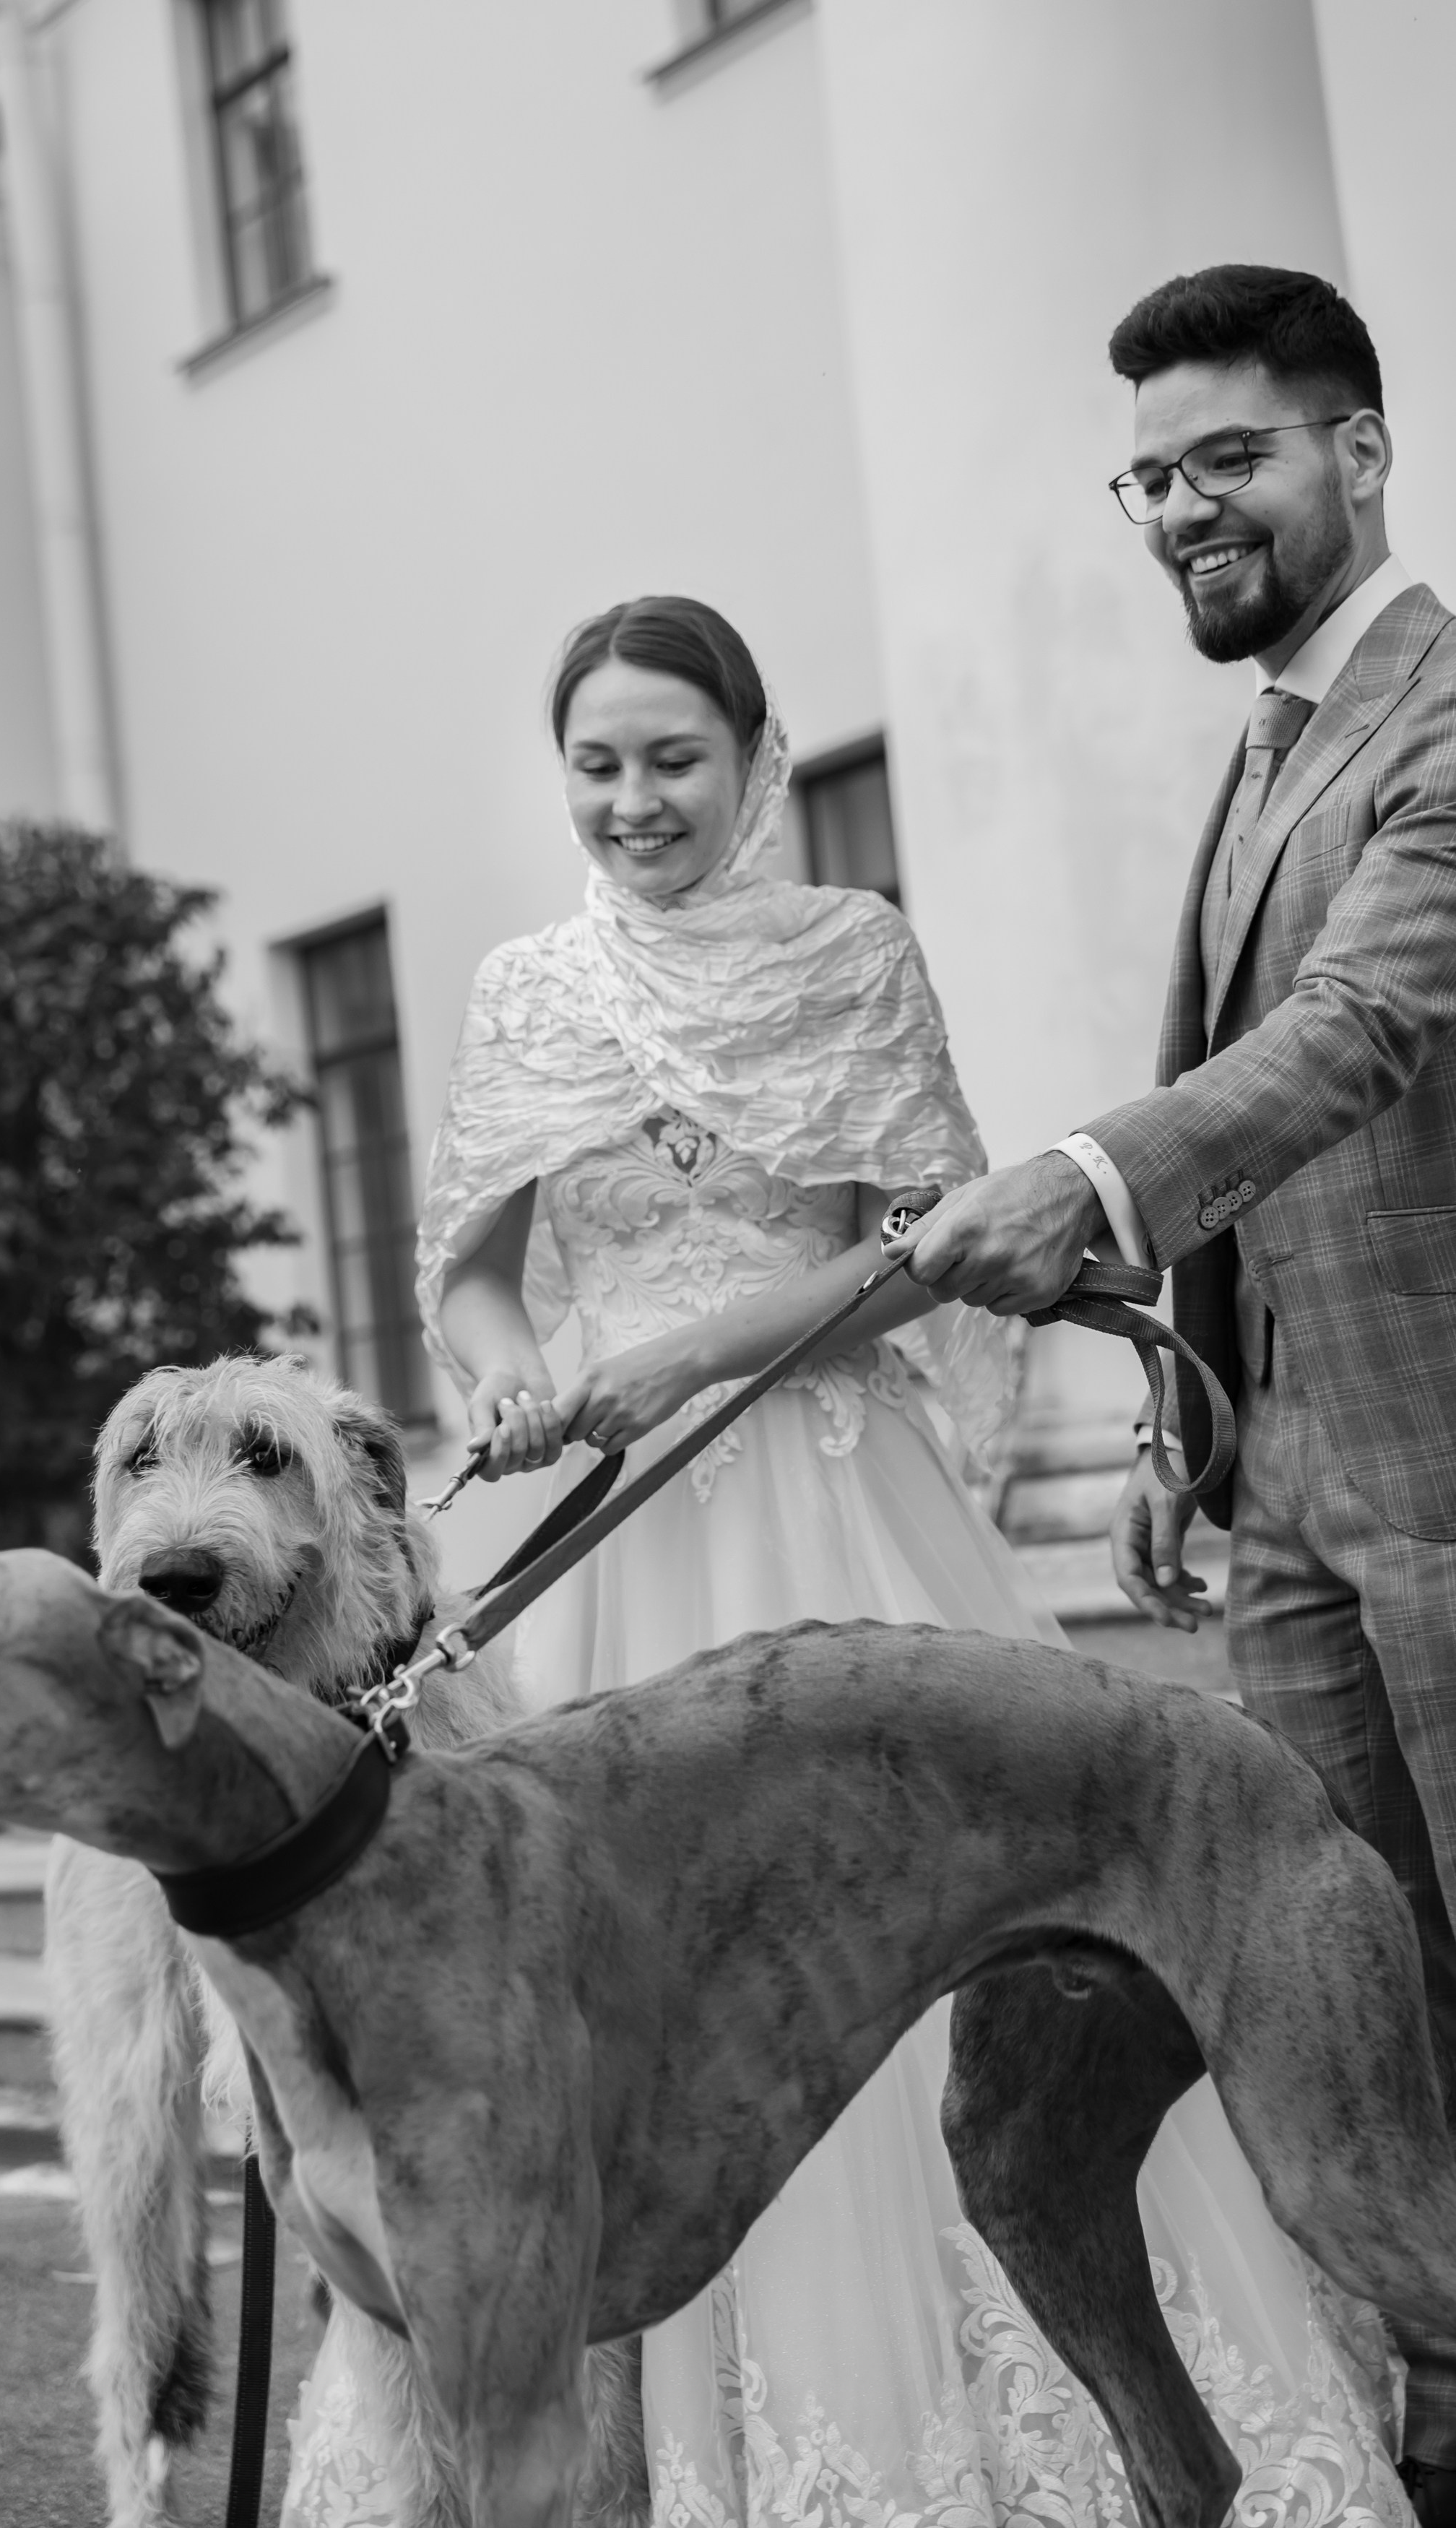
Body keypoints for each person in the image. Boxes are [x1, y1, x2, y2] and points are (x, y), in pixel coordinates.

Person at [270, 593, 1409, 2527]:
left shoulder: (853, 949)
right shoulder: (532, 983)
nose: (636, 800)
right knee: (606, 1996)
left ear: (754, 758)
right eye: (599, 765)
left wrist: (683, 1354)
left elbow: (918, 1247)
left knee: (912, 1939)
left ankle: (1021, 2434)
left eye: (673, 759)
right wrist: (524, 1375)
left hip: (834, 1499)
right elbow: (467, 1261)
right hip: (623, 1563)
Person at [887, 265, 1456, 2520]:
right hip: (1296, 1509)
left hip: (1452, 1481)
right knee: (1359, 2013)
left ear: (1360, 452)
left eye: (1233, 456)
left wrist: (1096, 1175)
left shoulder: (1441, 713)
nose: (1185, 508)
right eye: (1155, 472)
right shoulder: (1271, 736)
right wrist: (1182, 1408)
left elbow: (1359, 1035)